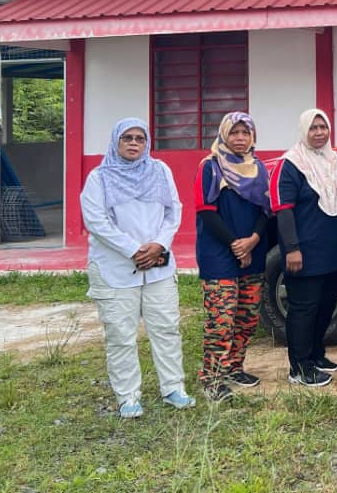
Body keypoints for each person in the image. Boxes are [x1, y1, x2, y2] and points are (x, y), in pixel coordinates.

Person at [80, 117, 194, 418]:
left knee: (166, 328)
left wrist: (159, 244)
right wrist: (132, 250)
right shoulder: (99, 177)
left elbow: (174, 210)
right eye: (127, 138)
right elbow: (95, 221)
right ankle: (128, 397)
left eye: (140, 138)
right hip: (115, 267)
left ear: (147, 143)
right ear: (116, 141)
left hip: (158, 264)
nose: (133, 143)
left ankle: (173, 388)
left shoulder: (159, 171)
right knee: (121, 334)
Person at [271, 108, 337, 388]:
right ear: (303, 131)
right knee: (303, 309)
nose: (319, 133)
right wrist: (292, 248)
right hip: (304, 253)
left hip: (333, 250)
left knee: (325, 306)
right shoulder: (291, 164)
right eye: (313, 128)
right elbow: (283, 210)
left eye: (323, 127)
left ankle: (317, 355)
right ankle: (300, 367)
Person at [194, 112, 271, 402]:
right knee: (221, 319)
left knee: (247, 316)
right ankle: (212, 377)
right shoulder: (210, 167)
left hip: (254, 249)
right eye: (235, 133)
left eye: (245, 133)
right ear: (225, 134)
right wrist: (235, 245)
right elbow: (206, 212)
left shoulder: (259, 168)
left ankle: (235, 367)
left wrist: (252, 241)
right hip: (219, 253)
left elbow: (266, 211)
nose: (240, 138)